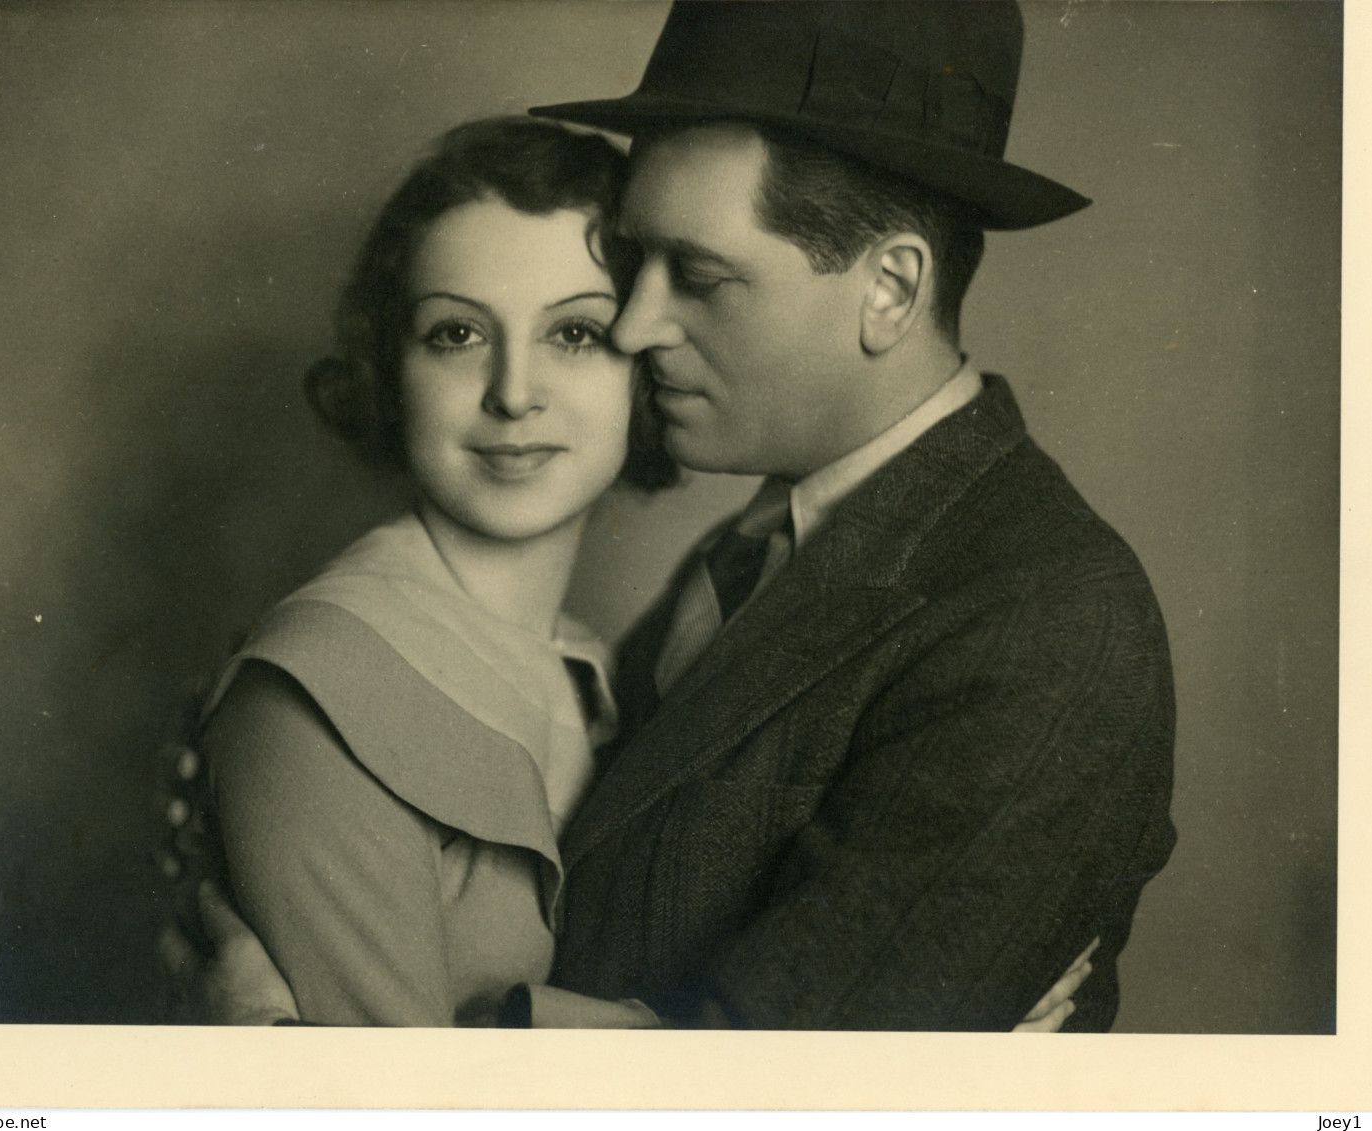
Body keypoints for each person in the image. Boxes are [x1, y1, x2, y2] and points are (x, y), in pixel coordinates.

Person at [173, 0, 1171, 1031]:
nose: (637, 326)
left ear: (890, 289)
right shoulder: (756, 546)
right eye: (636, 266)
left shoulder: (1046, 622)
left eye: (695, 276)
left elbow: (763, 1095)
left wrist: (308, 1047)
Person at [184, 117, 678, 1027]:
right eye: (455, 334)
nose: (514, 390)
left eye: (574, 333)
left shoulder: (592, 667)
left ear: (646, 366)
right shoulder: (320, 691)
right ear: (390, 368)